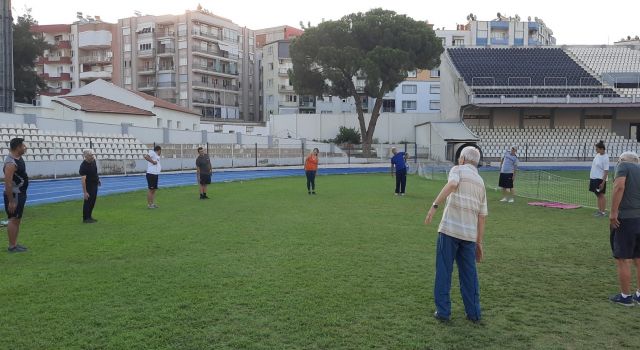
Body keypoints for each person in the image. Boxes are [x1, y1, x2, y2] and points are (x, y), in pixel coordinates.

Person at [425, 146, 487, 322]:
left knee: (444, 271)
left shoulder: (457, 170)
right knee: (469, 275)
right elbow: (482, 216)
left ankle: (443, 312)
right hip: (468, 236)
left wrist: (434, 205)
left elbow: (452, 184)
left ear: (462, 159)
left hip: (449, 231)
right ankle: (474, 313)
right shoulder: (481, 182)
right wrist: (479, 243)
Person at [608, 151, 640, 306]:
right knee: (639, 259)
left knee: (623, 259)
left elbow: (619, 187)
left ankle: (625, 296)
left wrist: (613, 212)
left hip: (627, 218)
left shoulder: (623, 166)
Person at [3, 138, 29, 253]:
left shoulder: (17, 156)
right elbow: (8, 183)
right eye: (22, 146)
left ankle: (14, 243)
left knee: (17, 219)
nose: (25, 147)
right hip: (15, 195)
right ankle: (11, 246)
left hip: (20, 193)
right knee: (13, 219)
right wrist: (11, 201)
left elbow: (21, 150)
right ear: (17, 147)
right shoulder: (10, 163)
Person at [79, 149, 101, 223]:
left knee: (93, 201)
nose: (92, 156)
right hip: (88, 185)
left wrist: (98, 180)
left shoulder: (93, 161)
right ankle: (85, 218)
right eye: (90, 155)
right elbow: (83, 180)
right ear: (85, 156)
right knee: (88, 201)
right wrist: (85, 192)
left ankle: (89, 216)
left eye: (92, 155)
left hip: (94, 184)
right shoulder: (83, 166)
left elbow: (95, 171)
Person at [590, 140, 610, 217]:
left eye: (597, 149)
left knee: (601, 195)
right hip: (594, 178)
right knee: (597, 195)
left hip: (600, 179)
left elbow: (606, 171)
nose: (596, 150)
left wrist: (603, 182)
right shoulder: (598, 155)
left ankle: (603, 212)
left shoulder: (605, 158)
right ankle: (599, 211)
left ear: (602, 149)